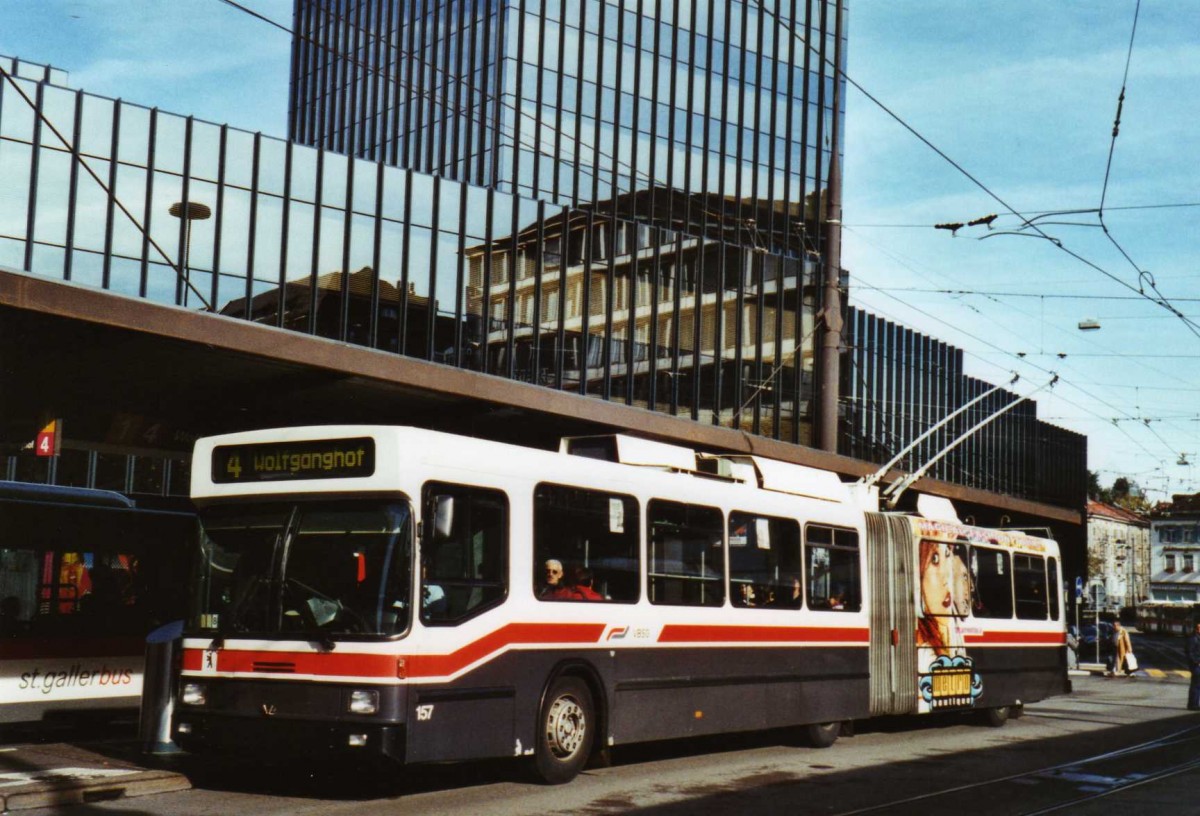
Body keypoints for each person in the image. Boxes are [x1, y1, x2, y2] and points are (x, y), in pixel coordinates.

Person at [915, 539, 965, 672]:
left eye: (948, 554)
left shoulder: (955, 629)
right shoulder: (922, 650)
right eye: (934, 559)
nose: (947, 577)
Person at [1186, 622, 1200, 710]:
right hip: (1196, 666)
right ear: (1196, 629)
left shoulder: (1197, 638)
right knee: (1196, 685)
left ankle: (1194, 703)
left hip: (1197, 665)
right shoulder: (1193, 639)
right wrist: (1197, 662)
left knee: (1197, 685)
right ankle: (1192, 704)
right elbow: (1190, 652)